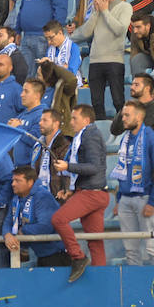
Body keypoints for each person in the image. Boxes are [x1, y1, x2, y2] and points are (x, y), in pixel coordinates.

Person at [52, 104, 108, 282]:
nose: (71, 121)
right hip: (95, 192)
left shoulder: (90, 135)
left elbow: (93, 167)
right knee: (95, 242)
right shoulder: (86, 134)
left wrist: (68, 166)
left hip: (91, 193)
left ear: (86, 120)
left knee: (58, 219)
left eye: (74, 118)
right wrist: (71, 191)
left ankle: (77, 257)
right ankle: (102, 279)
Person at [111, 100, 154, 265]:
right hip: (126, 199)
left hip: (146, 199)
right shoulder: (124, 139)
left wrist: (152, 201)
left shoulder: (152, 138)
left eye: (127, 115)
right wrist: (119, 199)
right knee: (131, 250)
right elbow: (123, 170)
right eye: (122, 115)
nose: (123, 119)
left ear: (139, 117)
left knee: (151, 249)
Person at [74, 0, 132, 120]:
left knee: (118, 100)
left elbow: (120, 30)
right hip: (95, 61)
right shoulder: (98, 10)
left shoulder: (124, 7)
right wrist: (96, 12)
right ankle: (101, 131)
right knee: (97, 103)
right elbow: (86, 32)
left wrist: (105, 11)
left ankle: (122, 131)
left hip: (114, 60)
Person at [3, 165, 70, 266]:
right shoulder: (16, 199)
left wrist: (23, 231)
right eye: (13, 181)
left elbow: (46, 226)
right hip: (41, 254)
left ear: (30, 182)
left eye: (18, 181)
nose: (13, 184)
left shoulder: (43, 196)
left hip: (57, 255)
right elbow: (8, 222)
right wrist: (7, 235)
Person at [109, 73, 154, 140]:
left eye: (136, 85)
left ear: (147, 88)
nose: (132, 87)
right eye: (132, 84)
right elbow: (115, 130)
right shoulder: (129, 108)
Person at [32, 108, 72, 200]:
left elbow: (68, 174)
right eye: (40, 120)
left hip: (57, 197)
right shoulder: (38, 145)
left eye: (45, 120)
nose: (40, 123)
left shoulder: (64, 145)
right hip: (39, 196)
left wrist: (65, 192)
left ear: (56, 123)